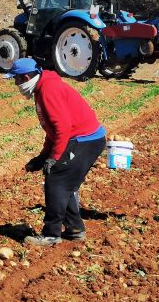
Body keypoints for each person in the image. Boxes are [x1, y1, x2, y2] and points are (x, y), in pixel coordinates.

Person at [7, 57, 106, 247]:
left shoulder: (48, 90)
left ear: (26, 77)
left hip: (86, 139)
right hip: (81, 138)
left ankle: (51, 234)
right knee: (63, 181)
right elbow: (51, 130)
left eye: (17, 79)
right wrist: (43, 156)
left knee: (57, 179)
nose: (16, 84)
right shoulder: (42, 88)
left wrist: (53, 158)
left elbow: (62, 128)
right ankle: (75, 229)